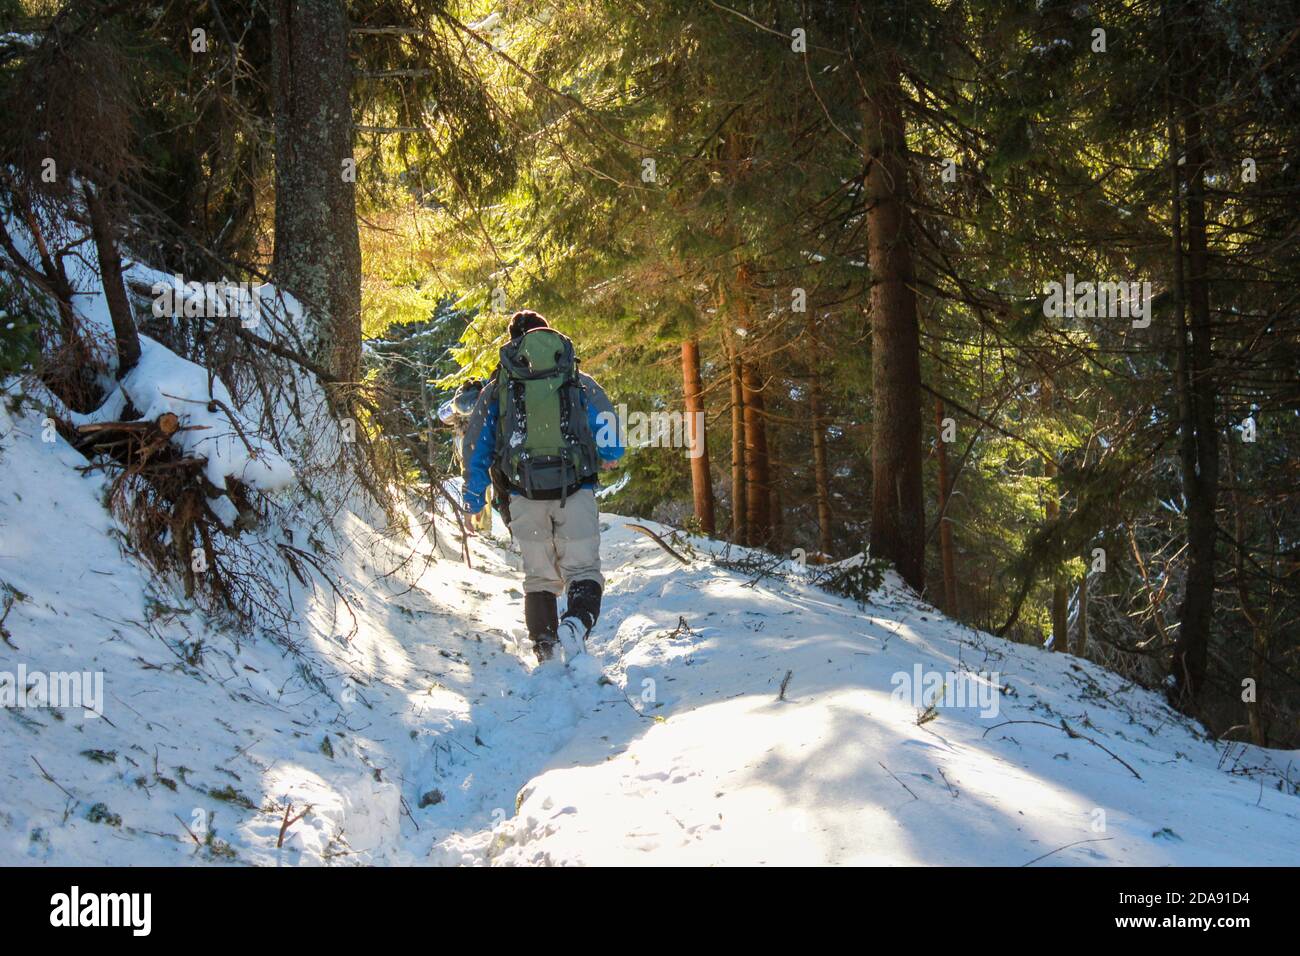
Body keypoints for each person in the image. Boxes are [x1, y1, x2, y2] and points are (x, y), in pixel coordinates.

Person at [460, 310, 623, 661]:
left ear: (513, 342)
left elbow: (476, 444)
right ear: (549, 336)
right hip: (575, 489)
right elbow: (605, 416)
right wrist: (610, 452)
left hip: (523, 494)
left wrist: (474, 499)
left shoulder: (499, 386)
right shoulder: (577, 378)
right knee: (583, 570)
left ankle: (545, 647)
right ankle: (576, 624)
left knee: (539, 577)